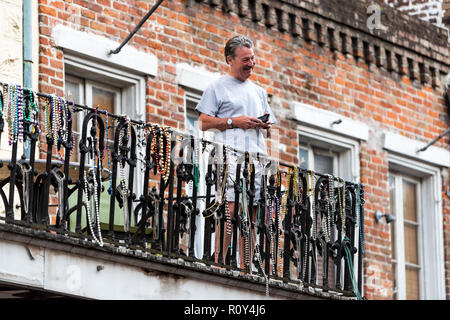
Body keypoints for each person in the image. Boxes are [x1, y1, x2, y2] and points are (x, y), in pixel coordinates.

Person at [195, 35, 277, 268]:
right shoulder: (217, 87)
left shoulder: (259, 92)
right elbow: (203, 123)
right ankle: (220, 260)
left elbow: (269, 131)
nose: (251, 64)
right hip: (229, 156)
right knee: (229, 209)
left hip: (257, 159)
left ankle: (246, 266)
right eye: (245, 60)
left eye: (252, 59)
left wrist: (264, 126)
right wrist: (234, 121)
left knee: (251, 214)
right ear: (230, 59)